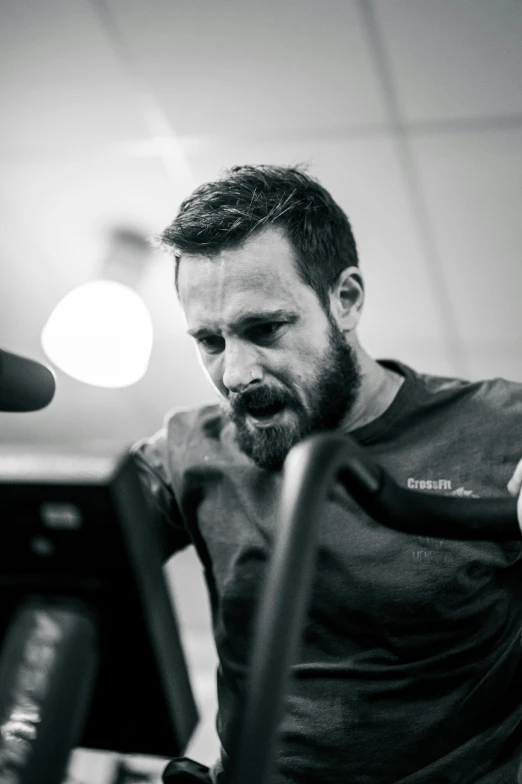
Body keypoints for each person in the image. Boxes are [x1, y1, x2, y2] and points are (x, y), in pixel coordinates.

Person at [132, 165, 522, 783]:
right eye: (210, 341)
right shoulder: (191, 448)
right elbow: (63, 540)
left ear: (346, 300)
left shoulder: (501, 428)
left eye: (264, 329)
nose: (235, 373)